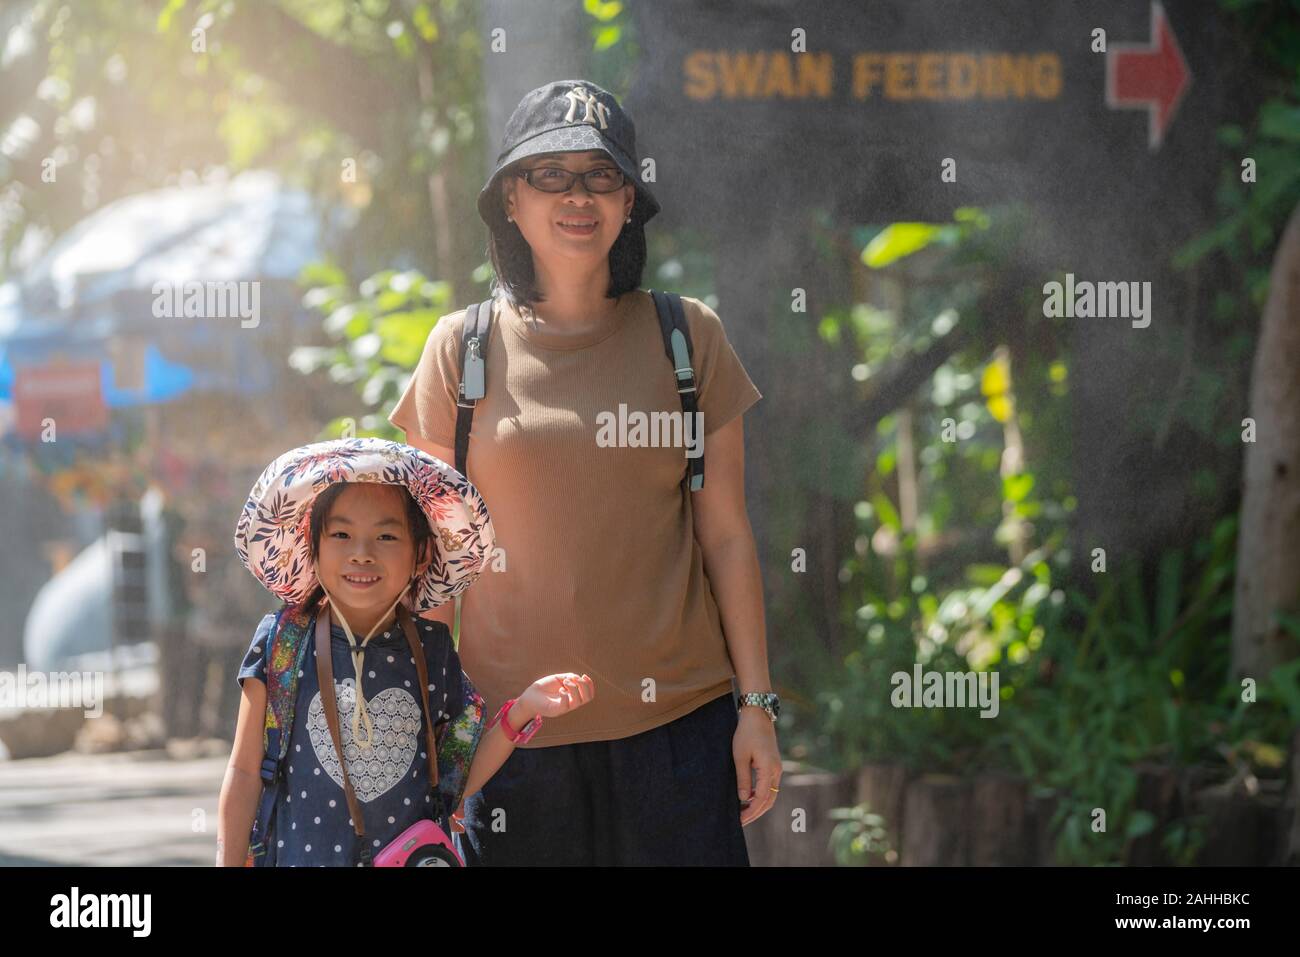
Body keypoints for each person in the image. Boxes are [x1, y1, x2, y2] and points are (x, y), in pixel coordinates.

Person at [388, 79, 782, 866]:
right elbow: (431, 568)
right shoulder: (458, 350)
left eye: (602, 175)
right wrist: (427, 739)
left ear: (630, 199)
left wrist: (757, 709)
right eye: (551, 174)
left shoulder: (687, 337)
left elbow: (727, 536)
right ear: (510, 199)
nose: (579, 196)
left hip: (680, 734)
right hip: (511, 741)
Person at [216, 437, 594, 866]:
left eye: (386, 536)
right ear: (312, 546)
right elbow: (244, 772)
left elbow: (456, 780)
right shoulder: (282, 644)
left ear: (421, 555)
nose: (362, 553)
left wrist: (523, 710)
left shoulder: (432, 652)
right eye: (341, 534)